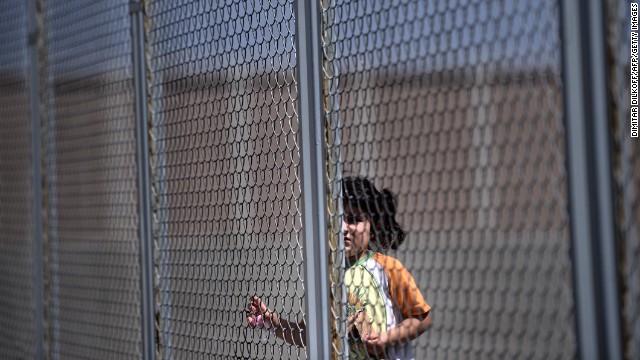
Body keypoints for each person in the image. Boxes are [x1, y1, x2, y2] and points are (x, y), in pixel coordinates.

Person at [247, 176, 431, 359]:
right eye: (338, 217)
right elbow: (308, 334)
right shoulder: (326, 274)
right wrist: (274, 323)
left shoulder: (388, 268)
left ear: (373, 227)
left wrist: (386, 338)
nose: (343, 227)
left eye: (354, 219)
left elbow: (422, 319)